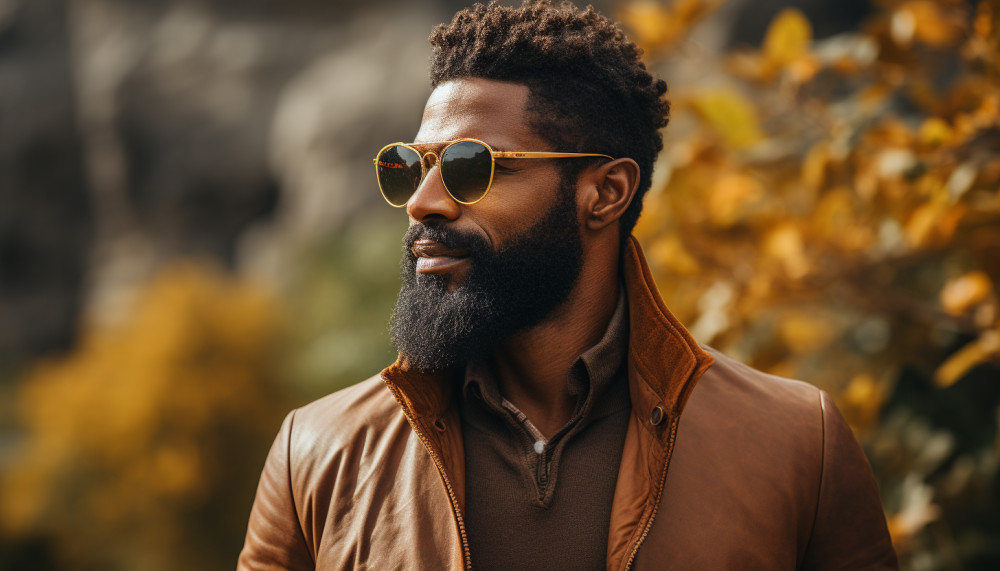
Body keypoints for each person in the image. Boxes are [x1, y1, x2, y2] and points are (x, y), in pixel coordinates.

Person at [238, 1, 899, 569]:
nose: (423, 202)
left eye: (470, 166)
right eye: (411, 166)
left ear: (605, 193)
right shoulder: (316, 452)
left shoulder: (797, 445)